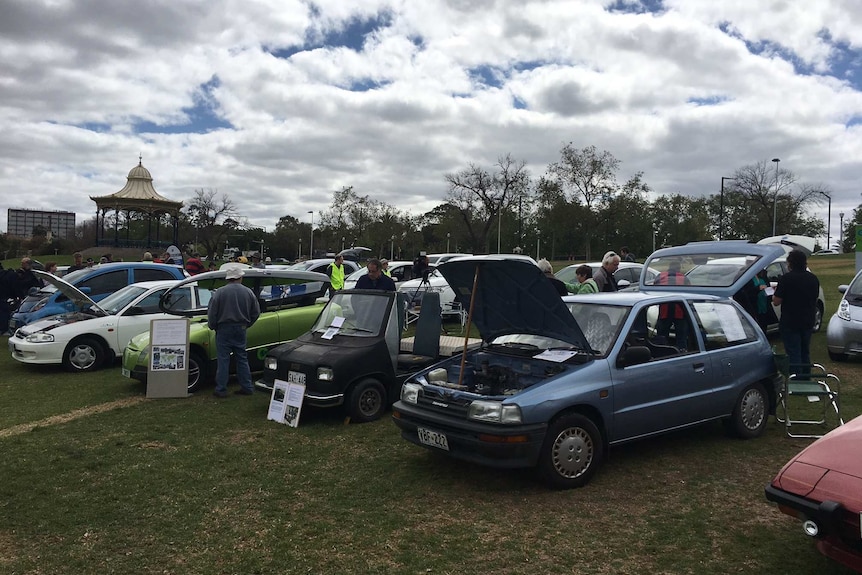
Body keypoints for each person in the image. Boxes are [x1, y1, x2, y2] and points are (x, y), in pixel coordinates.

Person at [207, 264, 261, 397]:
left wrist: (213, 326)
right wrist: (247, 324)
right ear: (240, 277)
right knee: (242, 358)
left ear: (228, 279)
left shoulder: (219, 292)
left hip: (223, 328)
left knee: (223, 360)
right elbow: (256, 312)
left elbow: (212, 313)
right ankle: (247, 387)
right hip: (241, 327)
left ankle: (221, 389)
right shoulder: (248, 292)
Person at [773, 249, 820, 376]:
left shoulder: (786, 279)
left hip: (790, 320)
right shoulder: (813, 278)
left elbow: (776, 301)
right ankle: (806, 375)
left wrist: (776, 290)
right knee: (805, 350)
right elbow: (814, 297)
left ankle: (796, 377)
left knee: (793, 351)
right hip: (808, 319)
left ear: (790, 264)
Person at [655, 260, 690, 349]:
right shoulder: (683, 278)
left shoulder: (660, 276)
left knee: (662, 335)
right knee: (681, 336)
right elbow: (689, 293)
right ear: (678, 268)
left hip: (664, 310)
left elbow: (654, 291)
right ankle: (682, 351)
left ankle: (661, 352)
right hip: (680, 310)